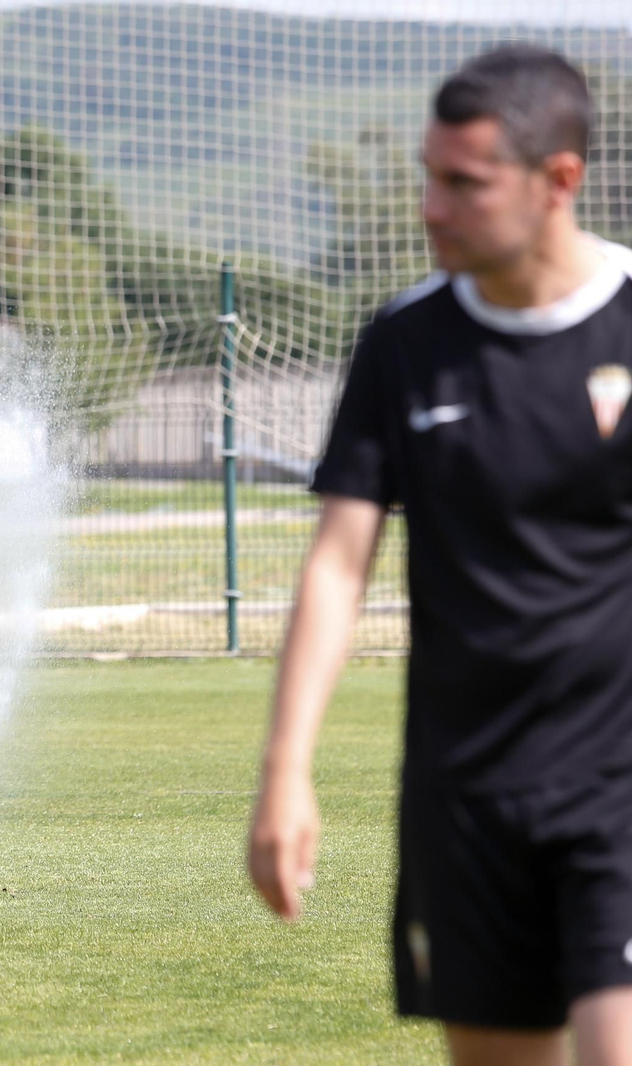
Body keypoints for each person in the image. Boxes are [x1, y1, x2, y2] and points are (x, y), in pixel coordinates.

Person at [248, 45, 632, 1064]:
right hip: (464, 795)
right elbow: (338, 564)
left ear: (557, 181)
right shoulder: (404, 343)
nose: (429, 205)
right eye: (428, 174)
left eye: (463, 183)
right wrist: (285, 773)